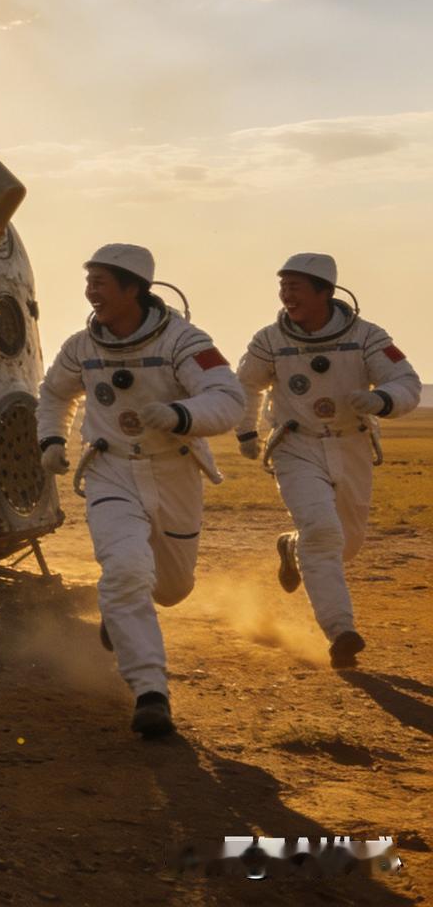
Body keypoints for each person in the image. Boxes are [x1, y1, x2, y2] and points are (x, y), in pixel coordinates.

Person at [37, 244, 244, 738]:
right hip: (111, 470)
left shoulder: (185, 341)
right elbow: (54, 393)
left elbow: (229, 398)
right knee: (125, 570)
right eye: (88, 281)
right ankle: (151, 692)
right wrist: (50, 438)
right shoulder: (80, 347)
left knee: (172, 589)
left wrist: (181, 415)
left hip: (174, 470)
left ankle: (121, 613)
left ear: (133, 288)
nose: (91, 291)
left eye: (101, 282)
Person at [234, 253, 420, 669]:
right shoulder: (269, 340)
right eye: (282, 287)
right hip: (296, 446)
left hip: (351, 445)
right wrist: (246, 431)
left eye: (295, 288)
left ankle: (292, 546)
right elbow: (247, 385)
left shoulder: (367, 336)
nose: (286, 296)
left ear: (324, 292)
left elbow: (405, 381)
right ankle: (341, 632)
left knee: (345, 544)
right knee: (322, 531)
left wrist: (382, 400)